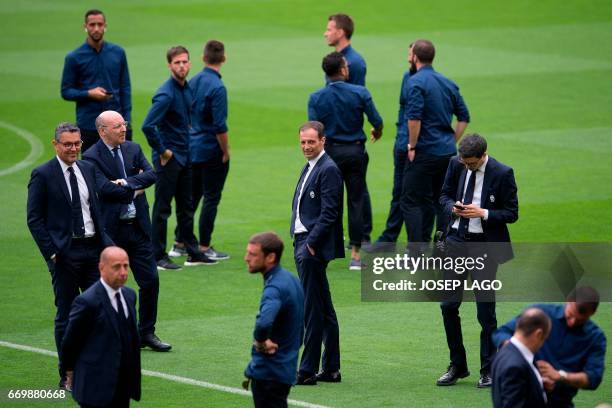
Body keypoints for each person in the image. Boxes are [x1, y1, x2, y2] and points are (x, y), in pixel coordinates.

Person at [27, 122, 113, 388]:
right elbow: (34, 219)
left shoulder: (87, 168)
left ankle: (94, 368)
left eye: (77, 144)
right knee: (66, 315)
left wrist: (107, 247)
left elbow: (95, 212)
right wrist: (52, 254)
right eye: (68, 144)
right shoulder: (43, 174)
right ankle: (67, 373)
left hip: (92, 251)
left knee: (98, 311)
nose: (74, 148)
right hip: (63, 256)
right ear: (56, 145)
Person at [83, 110, 176, 352]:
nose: (123, 129)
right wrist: (136, 186)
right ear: (102, 131)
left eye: (124, 124)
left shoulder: (133, 149)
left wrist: (126, 183)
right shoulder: (91, 156)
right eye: (117, 126)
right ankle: (114, 334)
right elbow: (104, 190)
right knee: (113, 285)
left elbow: (152, 174)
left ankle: (146, 332)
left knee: (151, 281)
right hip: (112, 233)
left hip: (137, 228)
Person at [436, 133, 519, 388]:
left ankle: (489, 368)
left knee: (485, 312)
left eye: (472, 163)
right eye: (465, 162)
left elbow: (512, 213)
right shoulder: (455, 163)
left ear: (483, 155)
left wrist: (483, 213)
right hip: (456, 243)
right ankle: (457, 365)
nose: (467, 166)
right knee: (448, 306)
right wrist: (453, 207)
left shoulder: (503, 173)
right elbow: (443, 196)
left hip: (484, 247)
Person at [308, 52, 383, 270]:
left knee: (328, 201)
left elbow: (314, 129)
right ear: (342, 70)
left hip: (329, 154)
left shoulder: (316, 97)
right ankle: (356, 255)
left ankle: (326, 248)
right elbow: (377, 121)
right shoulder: (360, 93)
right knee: (356, 200)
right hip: (355, 152)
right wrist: (377, 132)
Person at [142, 46, 214, 270]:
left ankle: (192, 253)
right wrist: (163, 151)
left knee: (186, 206)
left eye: (184, 62)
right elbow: (148, 126)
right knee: (163, 208)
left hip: (185, 156)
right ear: (169, 66)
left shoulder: (186, 89)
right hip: (169, 160)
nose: (181, 66)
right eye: (177, 63)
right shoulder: (166, 94)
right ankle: (158, 256)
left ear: (190, 64)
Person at [401, 39, 470, 252]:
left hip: (424, 151)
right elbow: (464, 117)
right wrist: (452, 141)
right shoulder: (448, 82)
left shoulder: (415, 82)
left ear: (415, 57)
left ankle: (415, 251)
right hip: (447, 153)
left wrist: (412, 146)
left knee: (411, 201)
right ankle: (441, 245)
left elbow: (414, 119)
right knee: (442, 200)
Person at [291, 121, 344, 385]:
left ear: (323, 140)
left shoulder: (329, 169)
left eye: (311, 142)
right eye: (302, 142)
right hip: (304, 241)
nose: (306, 147)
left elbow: (330, 211)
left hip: (311, 246)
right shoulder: (312, 166)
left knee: (311, 310)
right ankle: (331, 368)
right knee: (323, 308)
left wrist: (310, 244)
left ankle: (307, 370)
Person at [493, 287, 606, 407]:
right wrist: (516, 354)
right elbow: (501, 333)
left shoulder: (595, 337)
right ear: (568, 300)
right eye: (570, 315)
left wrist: (561, 376)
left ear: (592, 313)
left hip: (561, 403)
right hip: (524, 397)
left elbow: (593, 378)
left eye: (579, 321)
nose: (572, 322)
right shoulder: (541, 314)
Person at [61, 246, 141, 407]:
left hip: (122, 385)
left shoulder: (130, 295)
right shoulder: (87, 302)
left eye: (126, 266)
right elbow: (70, 341)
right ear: (101, 268)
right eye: (117, 267)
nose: (123, 272)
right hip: (94, 387)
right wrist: (69, 370)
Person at [175, 40, 230, 261]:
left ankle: (179, 242)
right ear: (223, 59)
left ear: (203, 58)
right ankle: (205, 246)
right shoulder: (217, 87)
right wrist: (225, 151)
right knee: (211, 198)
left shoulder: (192, 82)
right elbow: (220, 126)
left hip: (191, 147)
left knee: (191, 197)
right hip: (210, 149)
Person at [324, 13, 374, 242]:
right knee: (353, 188)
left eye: (330, 29)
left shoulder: (353, 62)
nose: (326, 32)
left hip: (347, 137)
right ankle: (355, 235)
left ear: (341, 32)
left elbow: (355, 100)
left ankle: (362, 235)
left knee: (356, 190)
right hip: (340, 137)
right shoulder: (337, 59)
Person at [244, 232, 305, 408]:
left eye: (253, 254)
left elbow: (263, 323)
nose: (246, 258)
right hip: (285, 369)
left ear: (270, 257)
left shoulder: (274, 288)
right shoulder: (292, 280)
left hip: (269, 373)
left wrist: (261, 341)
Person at [61, 9, 132, 152]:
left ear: (105, 26)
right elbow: (66, 91)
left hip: (116, 124)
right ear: (85, 27)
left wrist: (127, 121)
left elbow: (125, 88)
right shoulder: (74, 57)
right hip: (89, 125)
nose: (96, 29)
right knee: (91, 169)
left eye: (100, 24)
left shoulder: (118, 53)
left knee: (123, 168)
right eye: (92, 25)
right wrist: (88, 93)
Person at [369, 63, 414, 250]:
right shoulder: (407, 76)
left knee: (417, 198)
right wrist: (400, 139)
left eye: (411, 53)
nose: (408, 58)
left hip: (416, 148)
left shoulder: (421, 82)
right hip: (404, 144)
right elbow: (403, 110)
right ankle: (390, 239)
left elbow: (415, 116)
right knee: (400, 193)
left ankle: (418, 247)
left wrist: (410, 143)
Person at [491, 307, 551, 408]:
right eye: (544, 339)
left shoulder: (504, 353)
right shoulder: (514, 366)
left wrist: (537, 383)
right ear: (538, 334)